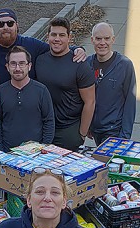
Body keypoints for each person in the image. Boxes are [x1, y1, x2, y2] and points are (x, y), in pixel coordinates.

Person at [35, 17, 96, 152]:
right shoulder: (40, 60)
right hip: (43, 129)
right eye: (54, 34)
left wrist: (82, 133)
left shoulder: (80, 65)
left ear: (69, 37)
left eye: (62, 35)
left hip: (69, 131)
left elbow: (90, 102)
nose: (57, 39)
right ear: (48, 37)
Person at [0, 46, 54, 151]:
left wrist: (44, 148)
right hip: (8, 153)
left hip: (36, 154)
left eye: (22, 63)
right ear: (7, 66)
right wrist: (0, 151)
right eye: (13, 64)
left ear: (29, 66)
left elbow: (49, 121)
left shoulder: (41, 91)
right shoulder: (0, 92)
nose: (17, 68)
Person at [87, 22, 137, 146]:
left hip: (114, 131)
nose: (102, 42)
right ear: (92, 40)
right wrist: (87, 125)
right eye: (98, 39)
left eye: (107, 38)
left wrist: (125, 135)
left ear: (113, 40)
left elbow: (130, 102)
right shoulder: (87, 64)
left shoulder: (125, 65)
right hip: (95, 130)